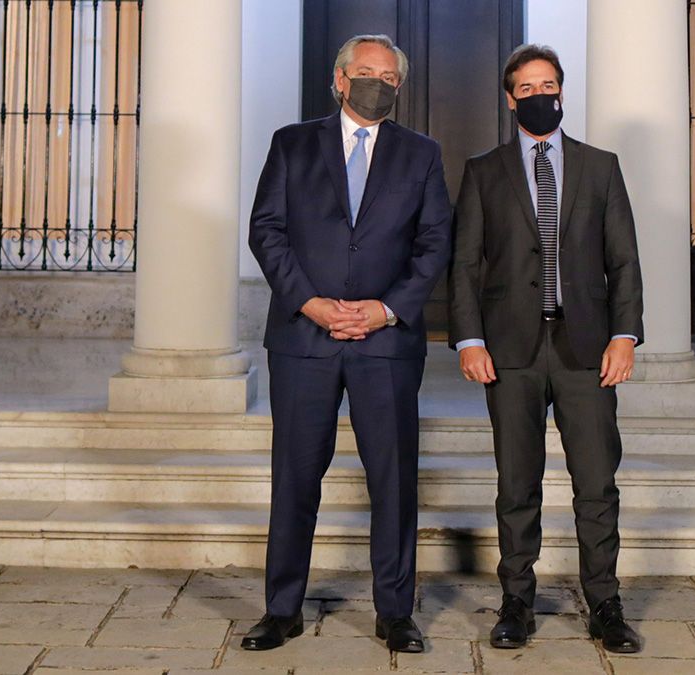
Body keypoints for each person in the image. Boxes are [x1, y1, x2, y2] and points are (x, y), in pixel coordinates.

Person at [244, 34, 451, 653]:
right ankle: (282, 609)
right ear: (339, 80)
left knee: (392, 480)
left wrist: (386, 310)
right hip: (304, 338)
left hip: (384, 342)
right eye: (365, 73)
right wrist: (310, 303)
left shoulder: (422, 153)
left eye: (388, 77)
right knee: (296, 478)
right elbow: (267, 229)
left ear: (399, 88)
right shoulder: (292, 143)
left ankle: (395, 614)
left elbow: (436, 241)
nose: (377, 84)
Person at [448, 43, 644, 654]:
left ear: (563, 90)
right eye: (527, 89)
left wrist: (624, 334)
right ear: (511, 99)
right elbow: (464, 265)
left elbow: (624, 260)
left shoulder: (600, 167)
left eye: (548, 85)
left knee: (596, 482)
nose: (540, 96)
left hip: (587, 350)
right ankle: (516, 602)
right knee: (516, 483)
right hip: (510, 352)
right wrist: (469, 339)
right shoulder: (484, 171)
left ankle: (605, 604)